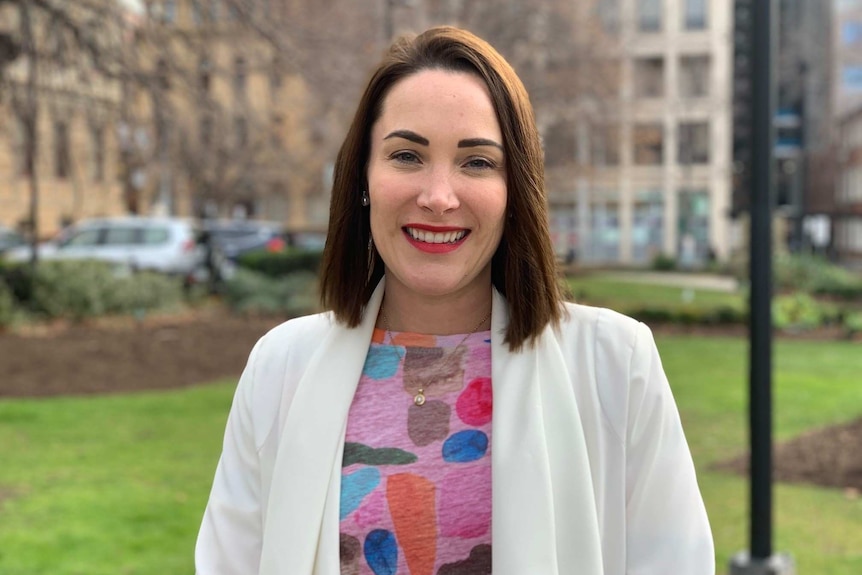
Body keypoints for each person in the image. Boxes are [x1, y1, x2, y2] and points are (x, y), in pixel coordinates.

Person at [195, 26, 714, 575]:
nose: (438, 196)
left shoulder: (617, 363)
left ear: (515, 190)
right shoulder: (280, 367)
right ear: (363, 178)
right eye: (406, 156)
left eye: (477, 163)